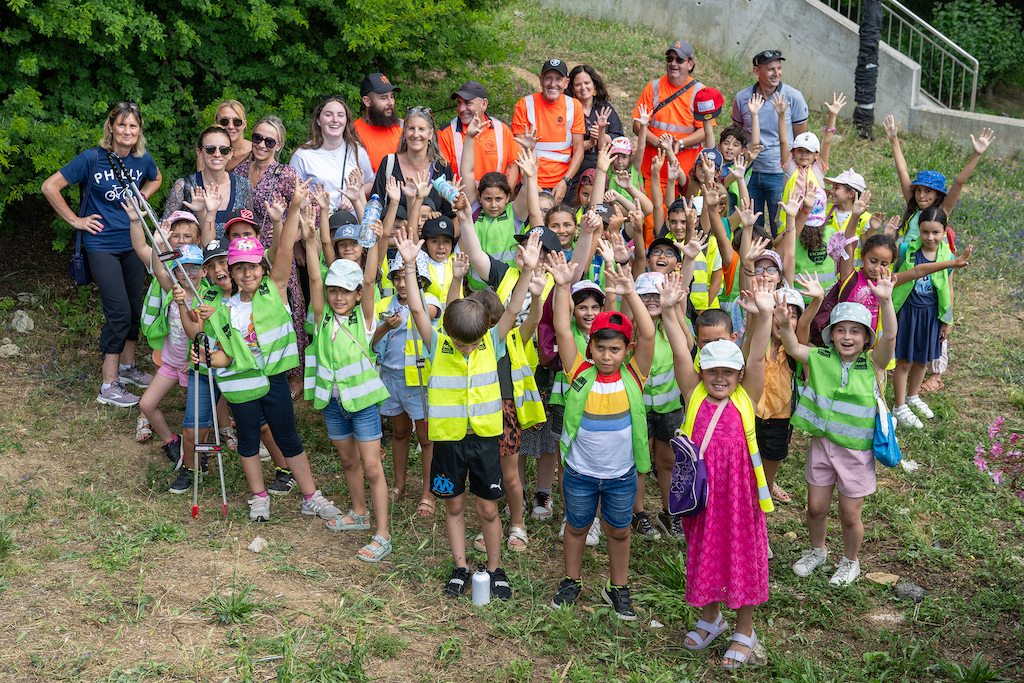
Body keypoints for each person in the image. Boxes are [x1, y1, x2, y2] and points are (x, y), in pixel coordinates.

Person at [395, 225, 541, 602]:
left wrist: (526, 271)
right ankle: (460, 567)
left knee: (489, 509)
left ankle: (495, 569)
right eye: (461, 343)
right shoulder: (436, 342)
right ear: (448, 333)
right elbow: (415, 307)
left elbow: (512, 308)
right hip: (447, 444)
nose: (465, 348)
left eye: (472, 343)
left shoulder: (492, 342)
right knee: (454, 505)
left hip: (485, 441)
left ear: (485, 334)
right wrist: (410, 267)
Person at [194, 180, 340, 523]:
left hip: (274, 380)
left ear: (263, 268)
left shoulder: (274, 290)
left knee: (288, 437)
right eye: (239, 268)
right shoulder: (221, 312)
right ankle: (259, 498)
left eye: (253, 267)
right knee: (247, 440)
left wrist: (293, 208)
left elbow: (285, 247)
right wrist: (206, 360)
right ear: (229, 272)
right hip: (240, 385)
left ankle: (310, 496)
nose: (247, 273)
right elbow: (225, 358)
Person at [662, 272, 775, 669]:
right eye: (714, 371)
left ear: (740, 375)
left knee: (741, 555)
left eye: (729, 371)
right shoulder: (693, 394)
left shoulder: (747, 395)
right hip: (705, 496)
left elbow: (758, 354)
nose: (722, 378)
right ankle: (712, 617)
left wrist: (763, 315)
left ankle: (745, 629)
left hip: (741, 497)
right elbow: (679, 350)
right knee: (705, 553)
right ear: (701, 372)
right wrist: (667, 309)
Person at [548, 253, 656, 622]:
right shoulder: (579, 370)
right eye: (600, 347)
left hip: (621, 475)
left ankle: (618, 587)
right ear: (589, 347)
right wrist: (563, 287)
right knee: (576, 526)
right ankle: (571, 581)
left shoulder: (634, 375)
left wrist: (629, 292)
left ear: (627, 351)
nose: (607, 356)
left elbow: (650, 333)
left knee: (619, 531)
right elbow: (563, 329)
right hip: (579, 472)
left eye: (615, 349)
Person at [41, 101, 162, 407]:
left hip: (133, 243)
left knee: (135, 308)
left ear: (139, 130)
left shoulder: (140, 158)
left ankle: (128, 367)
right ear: (111, 127)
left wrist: (141, 197)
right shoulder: (92, 158)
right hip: (101, 244)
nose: (127, 131)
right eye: (121, 125)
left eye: (133, 126)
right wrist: (76, 221)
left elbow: (156, 178)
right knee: (119, 312)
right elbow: (50, 186)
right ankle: (109, 385)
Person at [784, 289, 897, 588]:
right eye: (841, 330)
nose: (848, 337)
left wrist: (886, 301)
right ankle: (817, 552)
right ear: (831, 335)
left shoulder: (875, 364)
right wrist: (785, 324)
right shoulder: (821, 357)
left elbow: (889, 339)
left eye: (856, 331)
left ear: (867, 337)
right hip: (823, 447)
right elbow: (793, 347)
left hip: (856, 455)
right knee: (816, 508)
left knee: (849, 515)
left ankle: (850, 561)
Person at [302, 212, 392, 562]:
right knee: (347, 459)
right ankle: (359, 513)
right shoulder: (323, 314)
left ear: (357, 295)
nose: (339, 297)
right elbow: (313, 275)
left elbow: (370, 280)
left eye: (346, 291)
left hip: (364, 404)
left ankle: (382, 533)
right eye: (334, 289)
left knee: (372, 467)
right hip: (333, 403)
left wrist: (379, 244)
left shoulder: (365, 314)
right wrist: (310, 240)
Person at [884, 118, 994, 392]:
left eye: (928, 191)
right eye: (918, 189)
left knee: (934, 320)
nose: (922, 194)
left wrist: (977, 153)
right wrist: (894, 138)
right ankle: (892, 366)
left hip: (933, 274)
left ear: (938, 196)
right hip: (907, 276)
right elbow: (902, 169)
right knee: (898, 322)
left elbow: (958, 182)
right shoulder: (912, 212)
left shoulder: (942, 213)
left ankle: (933, 371)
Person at [232, 116, 309, 396]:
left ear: (280, 145)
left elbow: (304, 211)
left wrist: (292, 241)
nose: (262, 144)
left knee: (288, 307)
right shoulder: (239, 170)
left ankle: (295, 374)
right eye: (257, 138)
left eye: (269, 141)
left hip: (276, 250)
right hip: (245, 251)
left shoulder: (286, 174)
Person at [632, 40, 716, 244]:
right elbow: (637, 124)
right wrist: (659, 144)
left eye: (679, 59)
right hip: (655, 173)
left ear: (691, 64)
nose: (673, 63)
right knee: (654, 226)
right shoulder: (653, 87)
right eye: (670, 59)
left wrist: (682, 144)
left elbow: (706, 130)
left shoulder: (700, 91)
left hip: (687, 179)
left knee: (687, 226)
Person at [890, 206, 960, 429]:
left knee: (923, 359)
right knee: (905, 360)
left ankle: (913, 397)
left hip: (931, 315)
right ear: (918, 231)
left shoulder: (948, 257)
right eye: (925, 232)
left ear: (944, 231)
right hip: (908, 313)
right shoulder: (905, 251)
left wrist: (947, 320)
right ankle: (899, 405)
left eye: (935, 232)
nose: (930, 237)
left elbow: (948, 289)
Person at [732, 50, 809, 236]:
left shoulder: (793, 97)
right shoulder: (742, 98)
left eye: (779, 68)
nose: (776, 73)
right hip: (750, 173)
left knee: (781, 227)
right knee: (750, 227)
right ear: (757, 72)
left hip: (780, 174)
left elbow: (801, 138)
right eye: (770, 69)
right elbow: (738, 136)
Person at [512, 59, 585, 203]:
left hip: (561, 183)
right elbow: (518, 150)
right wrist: (532, 182)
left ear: (566, 82)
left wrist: (565, 181)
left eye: (558, 79)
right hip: (530, 179)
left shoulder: (574, 106)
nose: (553, 84)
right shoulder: (525, 104)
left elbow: (579, 150)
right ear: (540, 80)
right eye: (548, 78)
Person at [163, 126, 253, 239]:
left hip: (235, 255)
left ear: (230, 153)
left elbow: (250, 229)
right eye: (210, 149)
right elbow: (164, 229)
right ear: (199, 152)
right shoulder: (183, 186)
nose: (217, 154)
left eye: (224, 150)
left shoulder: (243, 185)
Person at [289, 97, 374, 213]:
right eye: (328, 115)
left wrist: (356, 194)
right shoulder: (302, 156)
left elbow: (371, 182)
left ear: (346, 121)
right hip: (316, 226)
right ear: (318, 121)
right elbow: (292, 194)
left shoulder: (357, 151)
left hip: (352, 226)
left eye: (340, 115)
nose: (335, 120)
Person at [370, 108, 456, 218]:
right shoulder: (389, 163)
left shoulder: (441, 167)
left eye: (421, 129)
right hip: (393, 234)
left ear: (431, 134)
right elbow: (374, 208)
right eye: (411, 128)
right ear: (404, 132)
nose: (415, 134)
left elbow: (451, 218)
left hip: (430, 235)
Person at [438, 81, 519, 186]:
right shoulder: (445, 133)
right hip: (461, 199)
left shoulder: (502, 129)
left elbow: (512, 166)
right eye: (459, 103)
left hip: (496, 200)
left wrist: (503, 196)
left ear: (484, 104)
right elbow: (442, 176)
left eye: (468, 103)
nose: (461, 109)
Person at [565, 64, 624, 198]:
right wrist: (590, 142)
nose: (583, 88)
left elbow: (619, 139)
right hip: (574, 168)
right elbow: (564, 144)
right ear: (572, 88)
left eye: (587, 83)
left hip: (602, 167)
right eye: (578, 84)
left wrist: (602, 134)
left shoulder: (604, 107)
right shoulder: (568, 109)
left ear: (594, 85)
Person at [354, 73, 404, 173]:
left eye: (392, 96)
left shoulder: (403, 126)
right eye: (384, 98)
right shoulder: (353, 133)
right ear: (367, 101)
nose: (391, 103)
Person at [199, 100, 252, 173]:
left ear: (244, 124)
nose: (230, 126)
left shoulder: (255, 152)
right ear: (216, 122)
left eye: (237, 122)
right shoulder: (207, 151)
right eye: (224, 121)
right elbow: (201, 182)